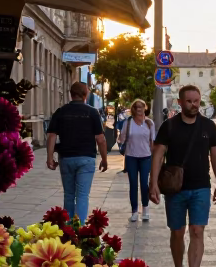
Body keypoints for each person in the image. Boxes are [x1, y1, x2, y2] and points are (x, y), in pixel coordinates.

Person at [149, 85, 216, 267]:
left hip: (201, 187)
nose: (193, 105)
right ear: (180, 102)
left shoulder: (208, 126)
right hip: (176, 189)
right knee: (177, 232)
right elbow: (158, 155)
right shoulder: (169, 126)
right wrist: (153, 183)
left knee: (197, 231)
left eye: (197, 101)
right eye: (189, 101)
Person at [46, 82, 108, 222]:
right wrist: (104, 159)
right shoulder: (92, 112)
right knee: (82, 196)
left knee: (69, 194)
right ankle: (79, 230)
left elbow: (51, 136)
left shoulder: (61, 111)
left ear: (71, 94)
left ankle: (68, 229)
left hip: (66, 158)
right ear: (86, 94)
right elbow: (100, 139)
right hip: (86, 158)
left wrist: (50, 157)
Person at [117, 99, 155, 222]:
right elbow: (121, 139)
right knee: (133, 184)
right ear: (134, 109)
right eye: (137, 107)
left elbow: (152, 142)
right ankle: (134, 211)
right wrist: (121, 137)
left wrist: (155, 158)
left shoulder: (149, 123)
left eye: (141, 107)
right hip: (131, 156)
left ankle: (145, 209)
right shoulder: (128, 122)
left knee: (144, 183)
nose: (139, 109)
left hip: (146, 157)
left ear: (145, 108)